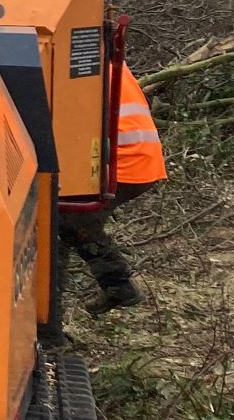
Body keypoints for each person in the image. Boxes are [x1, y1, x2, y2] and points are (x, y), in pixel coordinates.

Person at [59, 66, 165, 313]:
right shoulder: (96, 52)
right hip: (138, 159)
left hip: (123, 161)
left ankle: (48, 324)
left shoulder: (77, 61)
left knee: (65, 224)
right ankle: (118, 289)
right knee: (77, 225)